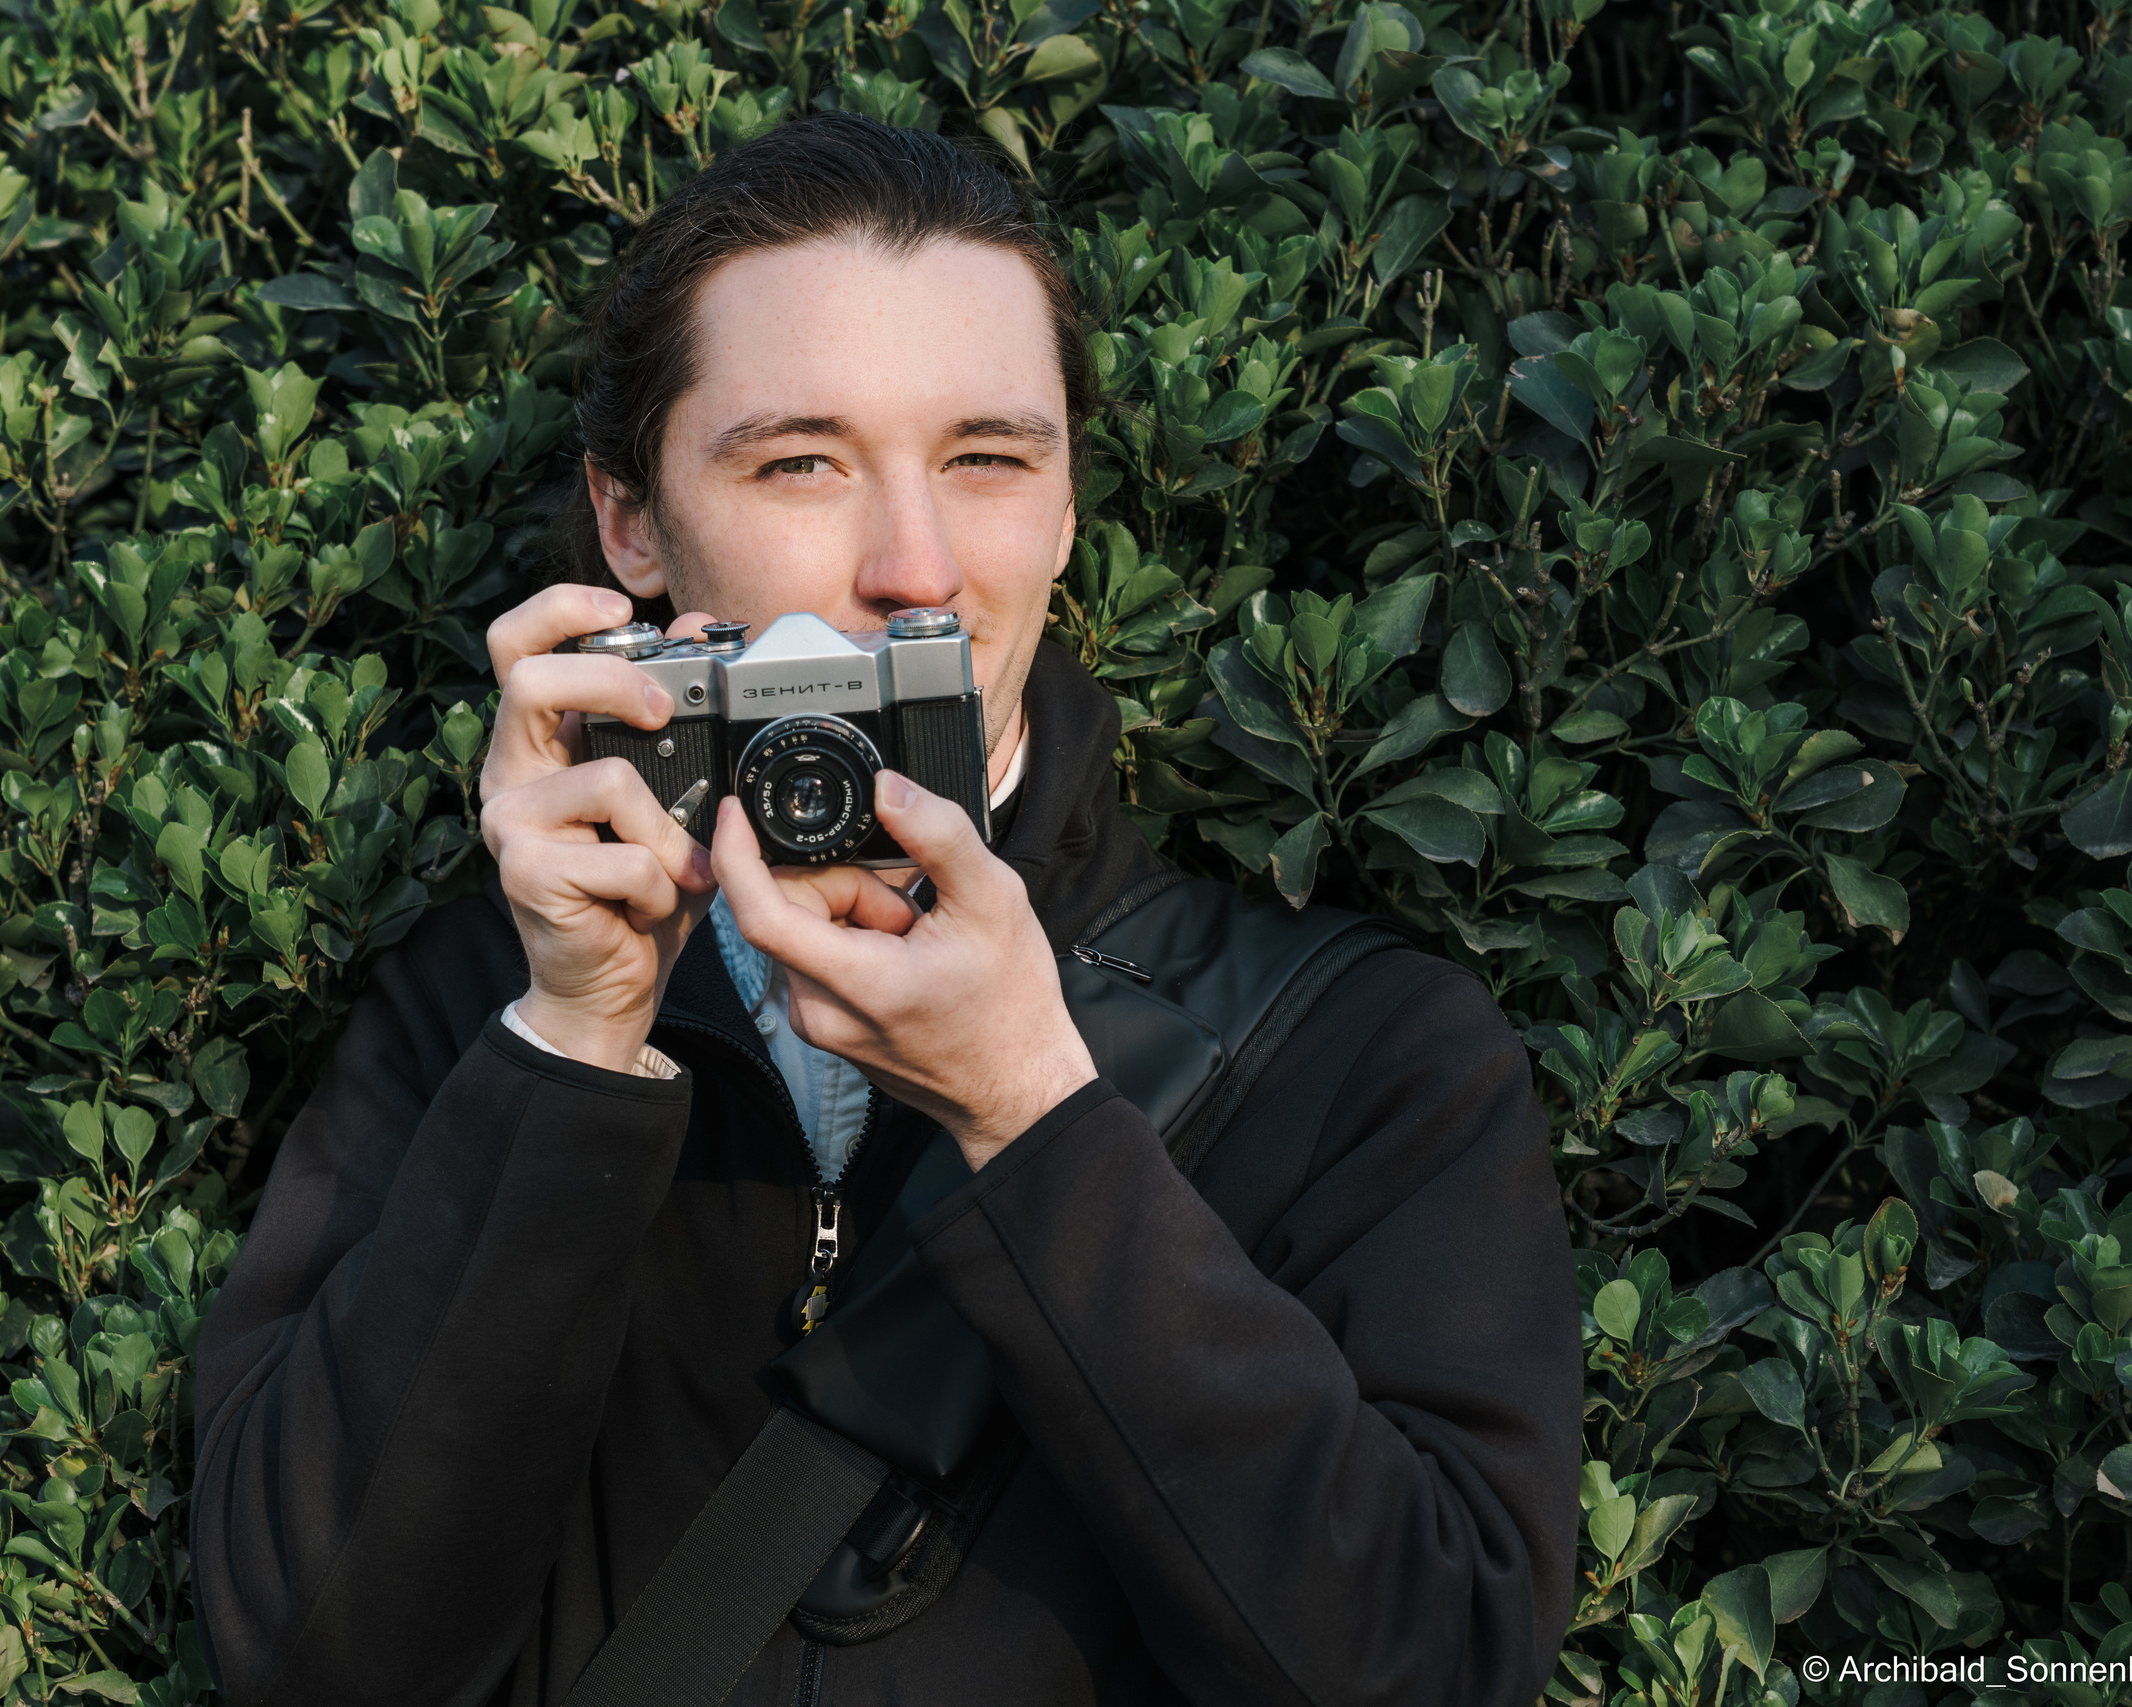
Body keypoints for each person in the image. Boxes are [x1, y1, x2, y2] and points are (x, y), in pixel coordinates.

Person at [190, 110, 1580, 1707]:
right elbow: (309, 1665)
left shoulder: (1362, 1055)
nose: (916, 565)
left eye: (988, 460)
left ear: (1065, 511)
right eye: (802, 462)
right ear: (631, 523)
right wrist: (571, 1053)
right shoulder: (477, 1015)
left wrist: (1036, 1125)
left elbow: (1439, 1672)